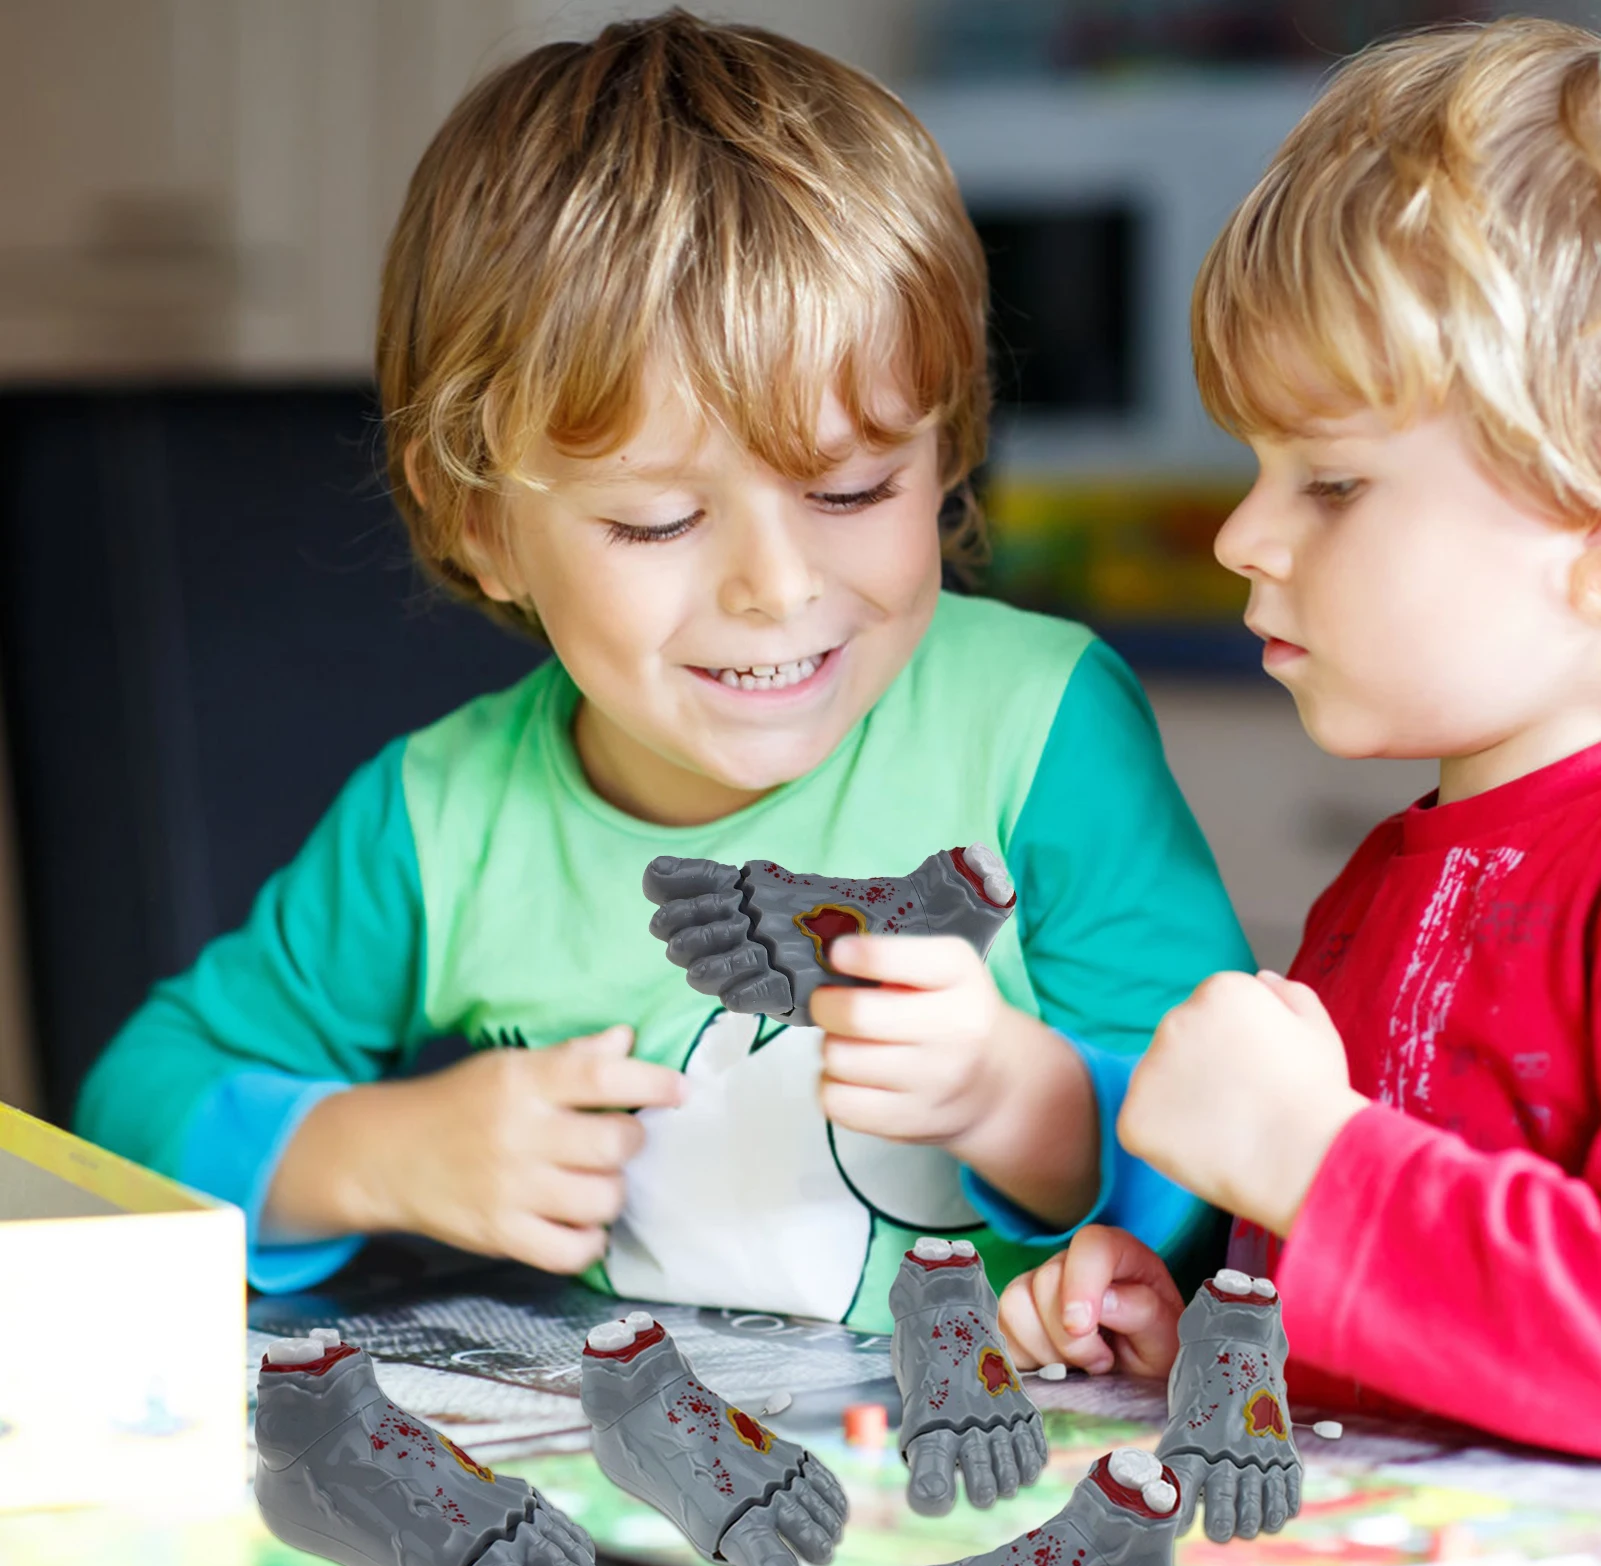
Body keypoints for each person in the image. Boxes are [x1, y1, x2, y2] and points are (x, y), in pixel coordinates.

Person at [76, 10, 1249, 1327]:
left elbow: (1232, 1144)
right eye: (657, 520)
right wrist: (385, 1156)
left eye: (853, 489)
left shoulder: (1040, 729)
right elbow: (133, 1111)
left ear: (948, 452)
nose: (777, 586)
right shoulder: (439, 821)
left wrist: (1019, 1104)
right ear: (481, 523)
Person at [999, 17, 1601, 1457]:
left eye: (1329, 484)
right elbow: (1410, 1348)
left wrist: (1306, 1158)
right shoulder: (1385, 882)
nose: (1240, 534)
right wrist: (1201, 1328)